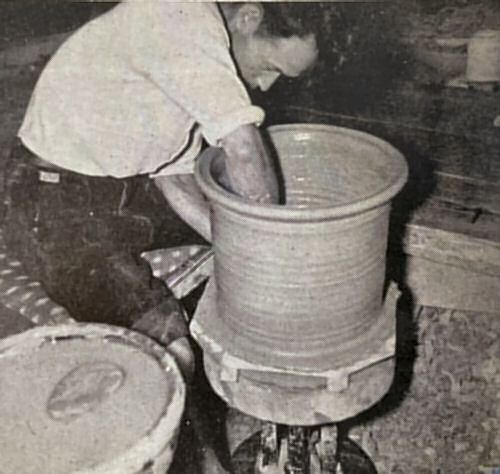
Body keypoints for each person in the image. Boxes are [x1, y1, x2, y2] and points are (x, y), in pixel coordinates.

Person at [2, 2, 318, 472]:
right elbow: (245, 150)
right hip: (52, 202)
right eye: (271, 67)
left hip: (119, 190)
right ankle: (204, 465)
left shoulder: (194, 51)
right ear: (248, 16)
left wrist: (236, 248)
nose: (268, 86)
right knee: (168, 347)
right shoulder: (179, 15)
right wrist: (270, 253)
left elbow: (175, 177)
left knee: (236, 213)